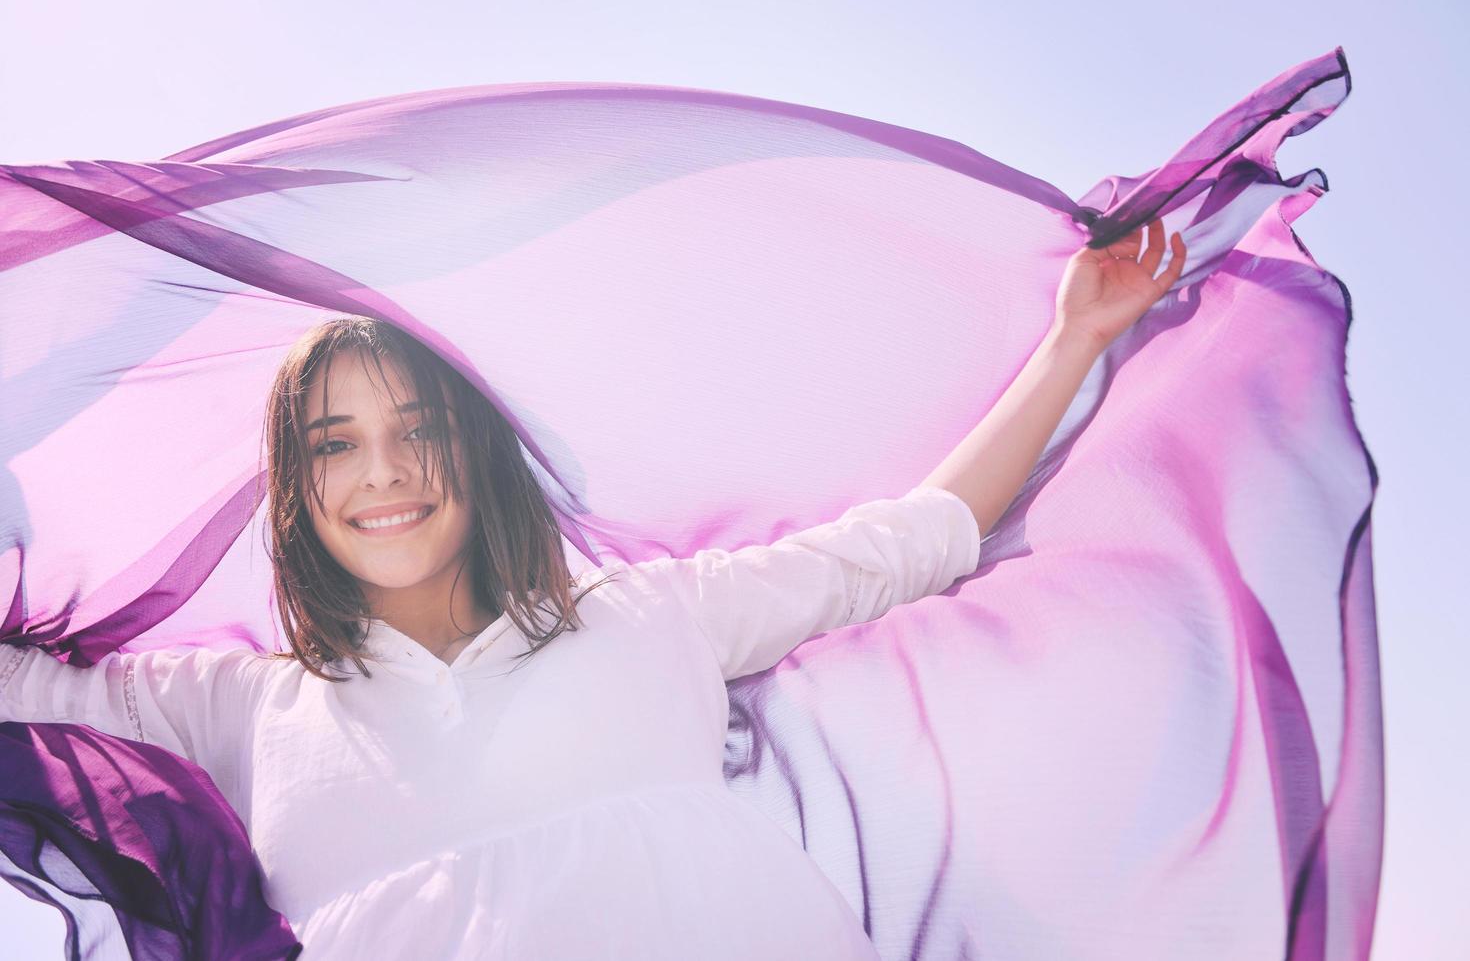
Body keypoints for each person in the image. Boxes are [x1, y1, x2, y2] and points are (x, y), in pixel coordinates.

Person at [1, 222, 1184, 958]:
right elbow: (22, 690)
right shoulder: (247, 707)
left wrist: (1074, 340)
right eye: (336, 443)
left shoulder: (649, 615)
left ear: (479, 449)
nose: (387, 475)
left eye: (419, 429)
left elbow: (908, 542)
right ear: (296, 488)